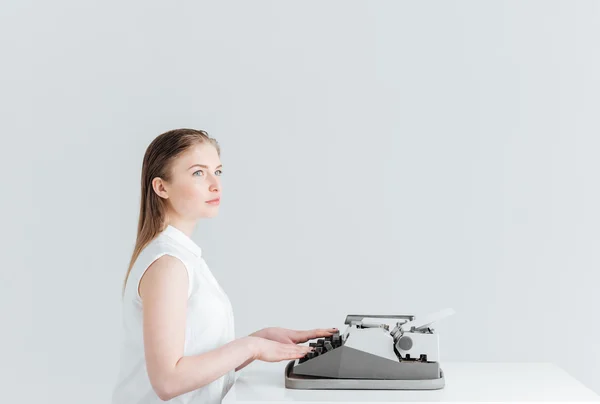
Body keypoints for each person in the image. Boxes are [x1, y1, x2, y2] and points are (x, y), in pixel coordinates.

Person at [112, 128, 338, 404]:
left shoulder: (182, 256)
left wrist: (262, 339)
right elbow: (168, 381)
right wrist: (251, 347)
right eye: (198, 173)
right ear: (162, 187)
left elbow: (195, 361)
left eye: (217, 171)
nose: (215, 184)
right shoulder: (168, 264)